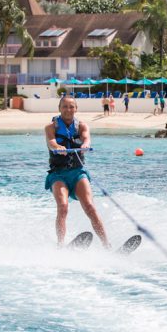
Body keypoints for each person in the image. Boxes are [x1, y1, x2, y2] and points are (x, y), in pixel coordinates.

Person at [44, 96, 110, 248]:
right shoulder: (50, 127)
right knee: (63, 207)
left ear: (76, 108)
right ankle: (60, 245)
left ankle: (107, 245)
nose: (68, 109)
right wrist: (57, 147)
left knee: (90, 207)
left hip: (78, 172)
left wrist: (86, 145)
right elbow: (51, 142)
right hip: (58, 174)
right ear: (59, 108)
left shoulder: (81, 126)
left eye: (71, 106)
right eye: (65, 106)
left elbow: (86, 139)